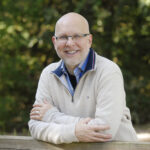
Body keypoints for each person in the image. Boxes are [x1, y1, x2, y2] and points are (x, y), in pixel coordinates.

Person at [28, 12, 137, 144]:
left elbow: (104, 131)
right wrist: (74, 132)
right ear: (54, 41)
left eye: (77, 36)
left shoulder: (108, 71)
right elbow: (34, 126)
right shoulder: (48, 74)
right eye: (63, 37)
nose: (69, 43)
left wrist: (51, 116)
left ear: (89, 40)